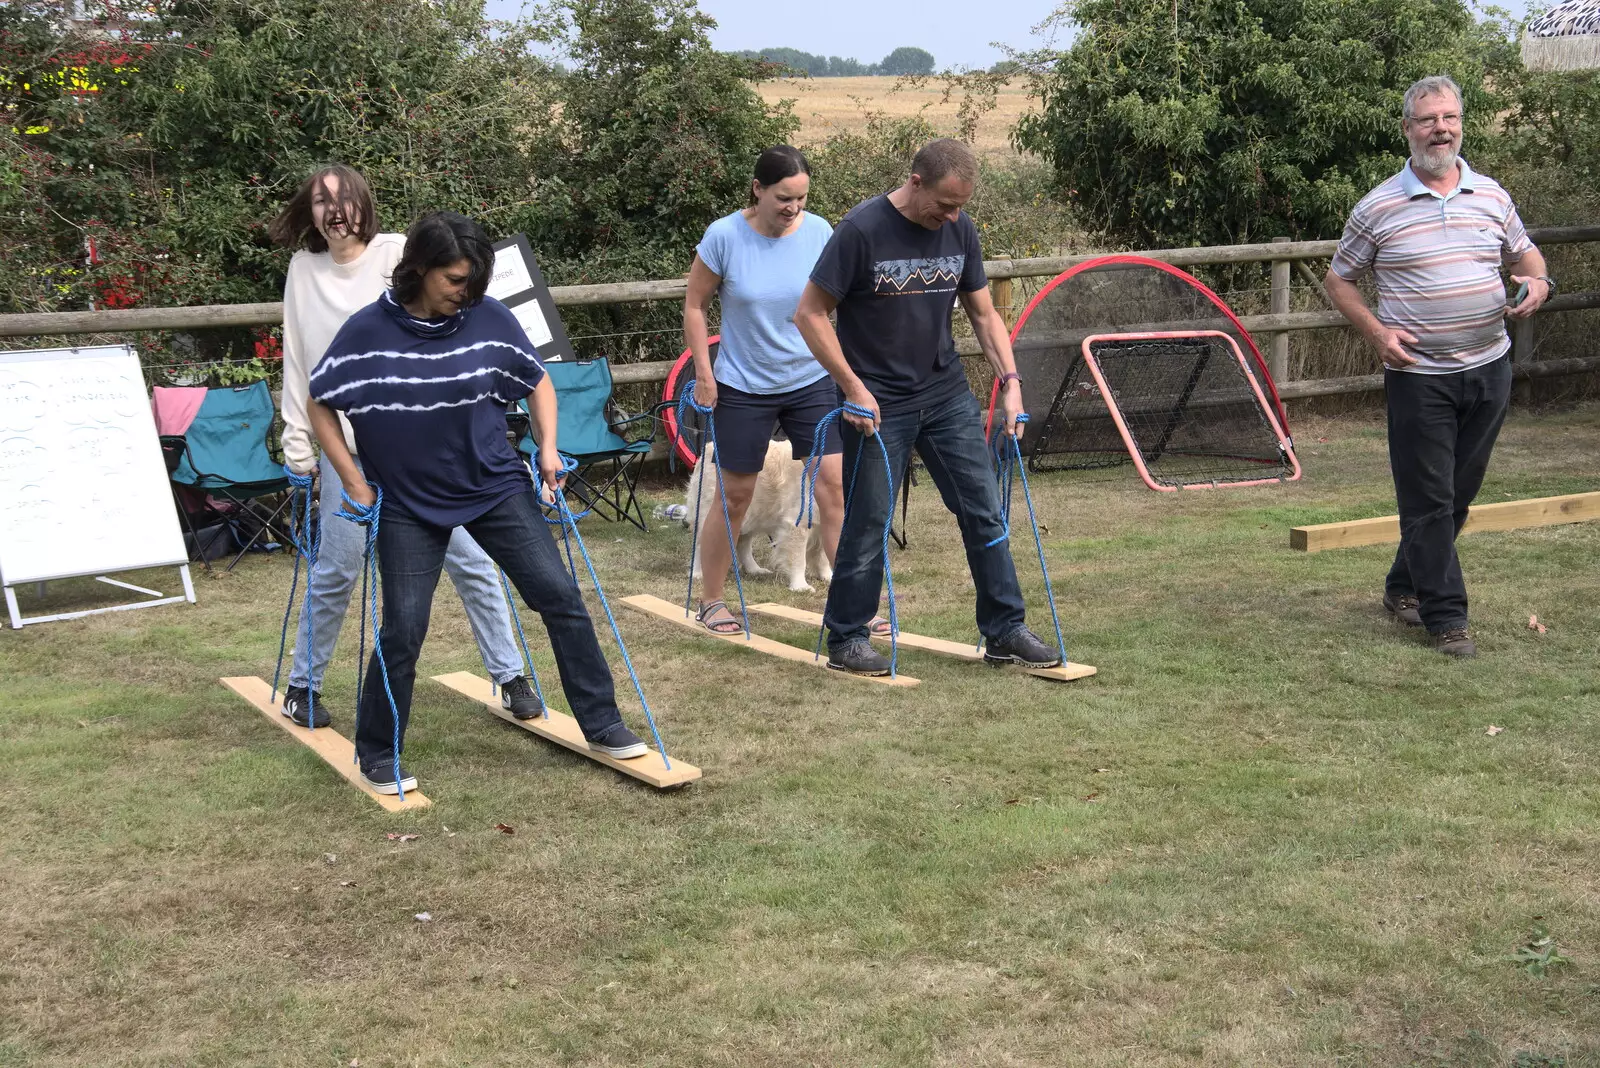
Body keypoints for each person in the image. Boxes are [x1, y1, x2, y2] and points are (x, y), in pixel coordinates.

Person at [306, 211, 649, 793]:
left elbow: (536, 378)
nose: (467, 294)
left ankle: (603, 722)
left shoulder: (488, 316)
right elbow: (321, 401)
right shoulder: (366, 332)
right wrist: (355, 481)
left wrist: (546, 447)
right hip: (409, 503)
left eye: (475, 283)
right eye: (456, 280)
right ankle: (377, 751)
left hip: (495, 487)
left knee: (560, 597)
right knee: (404, 629)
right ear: (418, 268)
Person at [270, 165, 541, 726]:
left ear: (366, 205)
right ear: (310, 212)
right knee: (338, 568)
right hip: (348, 449)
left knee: (471, 561)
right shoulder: (303, 269)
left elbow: (459, 309)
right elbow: (298, 362)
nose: (335, 210)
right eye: (321, 201)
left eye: (345, 199)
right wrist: (299, 445)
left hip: (425, 446)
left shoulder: (398, 252)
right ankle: (303, 685)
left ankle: (510, 675)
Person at [793, 138, 1061, 676]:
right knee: (867, 522)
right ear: (915, 182)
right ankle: (847, 638)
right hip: (878, 403)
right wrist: (852, 387)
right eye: (944, 203)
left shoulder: (959, 230)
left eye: (961, 205)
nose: (952, 215)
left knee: (983, 510)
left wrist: (1011, 381)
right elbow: (810, 314)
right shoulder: (861, 231)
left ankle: (1005, 630)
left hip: (945, 396)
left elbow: (984, 315)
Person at [1324, 75, 1552, 659]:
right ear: (1407, 128)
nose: (1440, 129)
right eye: (1428, 120)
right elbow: (1339, 279)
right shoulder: (1378, 205)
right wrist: (1377, 331)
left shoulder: (1493, 196)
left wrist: (1538, 280)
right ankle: (1446, 619)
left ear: (1460, 123)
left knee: (1457, 494)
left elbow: (1524, 251)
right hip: (1419, 376)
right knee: (1427, 498)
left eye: (1449, 118)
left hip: (1489, 367)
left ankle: (1404, 585)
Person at [683, 146, 892, 634]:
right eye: (783, 197)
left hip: (810, 380)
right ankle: (712, 601)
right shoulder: (724, 236)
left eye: (800, 198)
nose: (793, 207)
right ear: (758, 189)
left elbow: (842, 300)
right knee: (734, 495)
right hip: (743, 384)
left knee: (834, 488)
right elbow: (695, 305)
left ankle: (855, 604)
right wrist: (703, 373)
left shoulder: (820, 232)